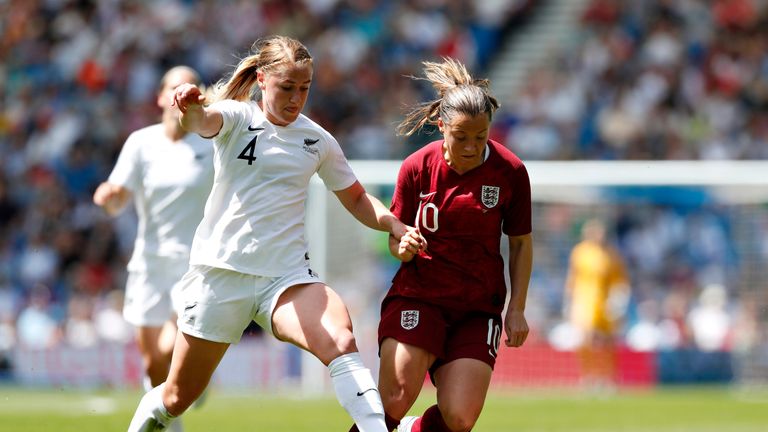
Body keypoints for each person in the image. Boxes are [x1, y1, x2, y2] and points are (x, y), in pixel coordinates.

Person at [127, 35, 423, 432]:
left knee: (339, 338)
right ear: (262, 80)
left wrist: (391, 222)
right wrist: (189, 108)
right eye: (287, 87)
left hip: (285, 278)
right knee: (177, 398)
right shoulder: (235, 116)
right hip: (221, 275)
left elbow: (354, 198)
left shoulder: (317, 139)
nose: (296, 98)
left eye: (304, 88)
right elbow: (200, 122)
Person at [352, 57, 533, 432]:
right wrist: (401, 246)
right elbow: (395, 237)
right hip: (419, 297)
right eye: (461, 136)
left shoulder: (510, 172)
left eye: (480, 137)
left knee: (460, 418)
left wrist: (517, 308)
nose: (471, 146)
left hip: (477, 307)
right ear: (441, 127)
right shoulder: (417, 167)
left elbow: (519, 244)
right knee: (396, 398)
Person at [94, 66, 214, 431]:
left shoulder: (211, 142)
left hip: (195, 265)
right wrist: (108, 198)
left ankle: (195, 375)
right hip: (148, 263)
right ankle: (175, 415)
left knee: (168, 349)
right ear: (161, 96)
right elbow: (117, 198)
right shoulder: (141, 143)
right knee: (152, 365)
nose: (181, 94)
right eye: (174, 87)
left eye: (190, 88)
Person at [563, 218, 630, 389]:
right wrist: (568, 301)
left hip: (604, 302)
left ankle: (608, 377)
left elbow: (620, 280)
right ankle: (588, 376)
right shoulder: (580, 252)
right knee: (585, 340)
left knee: (608, 342)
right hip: (584, 301)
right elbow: (573, 277)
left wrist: (618, 300)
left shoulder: (612, 255)